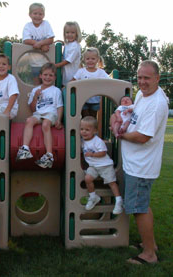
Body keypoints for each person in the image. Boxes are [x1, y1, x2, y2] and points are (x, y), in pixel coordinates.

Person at [118, 60, 168, 265]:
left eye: (147, 78)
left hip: (141, 166)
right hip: (134, 163)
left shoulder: (157, 103)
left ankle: (149, 255)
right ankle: (151, 244)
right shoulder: (141, 95)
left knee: (138, 208)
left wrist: (121, 135)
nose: (143, 82)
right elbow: (134, 116)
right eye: (139, 78)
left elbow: (142, 137)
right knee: (142, 205)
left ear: (157, 78)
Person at [16, 63, 63, 168]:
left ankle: (49, 155)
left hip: (51, 114)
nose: (48, 77)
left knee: (46, 124)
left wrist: (59, 120)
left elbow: (59, 106)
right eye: (45, 74)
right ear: (40, 76)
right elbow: (32, 109)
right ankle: (25, 149)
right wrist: (36, 96)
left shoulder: (56, 91)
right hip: (38, 114)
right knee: (29, 121)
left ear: (54, 77)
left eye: (51, 75)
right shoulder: (35, 90)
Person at [80, 116, 123, 214]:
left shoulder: (97, 141)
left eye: (87, 130)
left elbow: (103, 152)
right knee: (88, 179)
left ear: (95, 131)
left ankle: (118, 200)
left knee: (111, 182)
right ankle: (93, 196)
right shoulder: (82, 142)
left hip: (105, 166)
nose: (84, 132)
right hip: (93, 166)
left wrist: (92, 154)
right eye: (82, 129)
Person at [22, 2, 55, 85]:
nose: (37, 16)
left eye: (40, 14)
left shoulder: (46, 24)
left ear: (43, 15)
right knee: (36, 81)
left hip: (46, 61)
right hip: (34, 62)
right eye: (35, 13)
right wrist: (41, 46)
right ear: (30, 14)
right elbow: (26, 40)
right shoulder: (28, 26)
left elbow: (51, 39)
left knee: (47, 81)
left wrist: (40, 44)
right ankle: (37, 96)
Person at [72, 47, 109, 118]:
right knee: (85, 117)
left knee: (93, 117)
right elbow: (73, 81)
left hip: (95, 100)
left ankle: (92, 129)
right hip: (83, 100)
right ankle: (84, 129)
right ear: (84, 60)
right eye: (88, 59)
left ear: (97, 60)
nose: (90, 61)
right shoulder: (81, 71)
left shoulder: (101, 72)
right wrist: (65, 87)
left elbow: (109, 81)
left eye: (93, 59)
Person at [55, 21, 82, 86]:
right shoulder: (68, 44)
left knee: (71, 91)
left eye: (72, 33)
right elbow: (68, 47)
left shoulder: (76, 46)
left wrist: (57, 65)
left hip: (72, 75)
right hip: (66, 74)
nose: (69, 35)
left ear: (77, 34)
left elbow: (69, 60)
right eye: (67, 32)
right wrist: (62, 43)